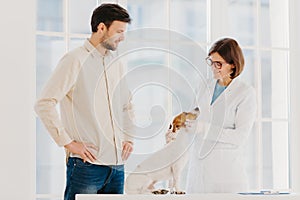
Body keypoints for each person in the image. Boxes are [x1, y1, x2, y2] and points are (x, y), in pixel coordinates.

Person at [34, 3, 135, 200]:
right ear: (101, 28)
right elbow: (44, 103)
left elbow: (126, 104)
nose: (122, 37)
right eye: (119, 31)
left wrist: (129, 137)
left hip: (116, 166)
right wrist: (69, 143)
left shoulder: (117, 63)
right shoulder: (74, 60)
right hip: (86, 166)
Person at [186, 38, 257, 193]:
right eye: (211, 62)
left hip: (226, 174)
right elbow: (193, 117)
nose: (213, 68)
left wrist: (205, 129)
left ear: (232, 64)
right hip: (199, 171)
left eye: (218, 64)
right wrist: (180, 125)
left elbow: (239, 137)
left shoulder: (245, 93)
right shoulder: (203, 86)